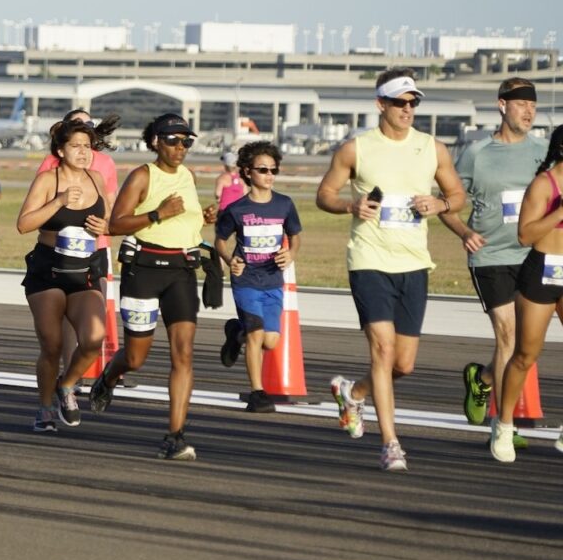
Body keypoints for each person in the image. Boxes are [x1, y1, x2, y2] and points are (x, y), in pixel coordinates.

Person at [317, 69, 465, 472]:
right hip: (369, 260)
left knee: (403, 364)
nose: (408, 109)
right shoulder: (355, 149)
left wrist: (441, 206)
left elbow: (456, 194)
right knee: (382, 350)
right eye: (400, 102)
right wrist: (351, 206)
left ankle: (354, 393)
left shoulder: (432, 148)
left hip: (414, 263)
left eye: (413, 102)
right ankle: (391, 443)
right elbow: (325, 194)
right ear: (381, 104)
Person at [88, 112, 218, 460]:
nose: (180, 147)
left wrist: (202, 218)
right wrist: (158, 214)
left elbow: (183, 217)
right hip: (144, 269)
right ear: (155, 142)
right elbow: (114, 225)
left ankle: (175, 435)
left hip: (182, 272)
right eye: (173, 140)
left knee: (184, 354)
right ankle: (109, 376)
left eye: (186, 141)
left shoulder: (188, 177)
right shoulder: (143, 175)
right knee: (135, 357)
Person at [440, 78, 547, 437]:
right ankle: (504, 424)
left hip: (536, 255)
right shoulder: (477, 152)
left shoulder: (544, 151)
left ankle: (482, 378)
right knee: (509, 337)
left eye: (532, 105)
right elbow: (448, 202)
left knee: (525, 344)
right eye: (521, 104)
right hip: (490, 256)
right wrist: (464, 232)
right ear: (502, 106)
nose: (528, 111)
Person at [17, 116, 116, 433]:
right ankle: (44, 409)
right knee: (52, 345)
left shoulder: (97, 179)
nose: (83, 152)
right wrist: (59, 201)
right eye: (76, 146)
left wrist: (106, 227)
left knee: (94, 339)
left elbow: (110, 217)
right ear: (60, 150)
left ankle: (67, 384)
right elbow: (24, 224)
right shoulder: (49, 180)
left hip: (83, 271)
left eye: (87, 146)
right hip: (47, 270)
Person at [490, 125, 563, 461]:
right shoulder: (543, 184)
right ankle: (504, 424)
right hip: (543, 271)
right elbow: (524, 235)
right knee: (525, 354)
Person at [213, 140, 302, 413]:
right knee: (256, 335)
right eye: (262, 170)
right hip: (246, 281)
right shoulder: (237, 209)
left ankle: (235, 333)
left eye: (273, 169)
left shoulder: (284, 205)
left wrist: (291, 254)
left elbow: (295, 236)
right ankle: (257, 392)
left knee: (270, 341)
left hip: (274, 280)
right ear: (247, 172)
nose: (269, 175)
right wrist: (230, 260)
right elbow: (219, 240)